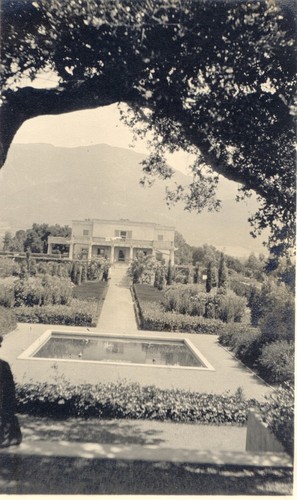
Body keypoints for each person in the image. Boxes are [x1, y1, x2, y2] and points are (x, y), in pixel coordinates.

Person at [0, 335, 22, 448]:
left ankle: (8, 437)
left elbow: (9, 387)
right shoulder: (3, 365)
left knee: (6, 414)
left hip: (3, 398)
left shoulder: (3, 365)